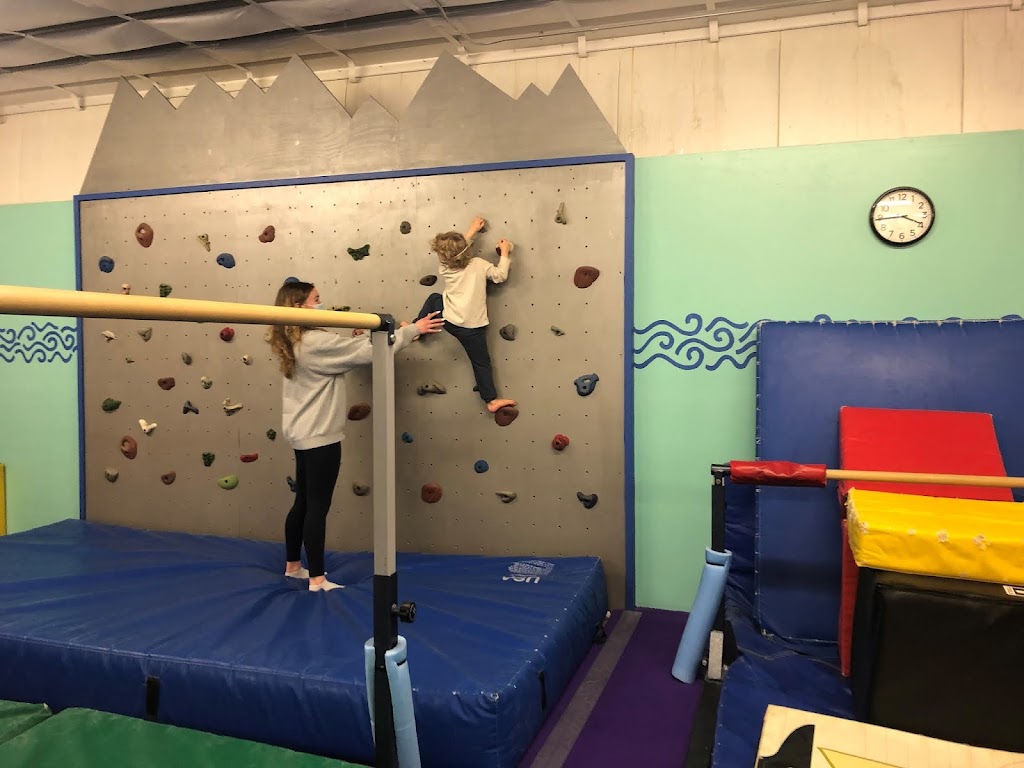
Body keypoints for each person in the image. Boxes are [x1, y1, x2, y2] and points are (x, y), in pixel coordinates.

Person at [267, 280, 443, 592]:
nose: (321, 304)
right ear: (300, 306)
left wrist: (366, 337)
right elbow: (372, 353)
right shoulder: (316, 342)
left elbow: (346, 351)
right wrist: (414, 330)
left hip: (301, 432)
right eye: (317, 299)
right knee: (317, 506)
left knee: (303, 501)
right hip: (320, 434)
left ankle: (293, 566)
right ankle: (317, 579)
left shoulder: (295, 340)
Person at [415, 216, 516, 414]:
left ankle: (416, 329)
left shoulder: (445, 267)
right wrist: (505, 253)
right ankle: (490, 400)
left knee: (434, 298)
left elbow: (456, 253)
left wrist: (471, 230)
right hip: (472, 328)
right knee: (481, 363)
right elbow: (500, 276)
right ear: (466, 250)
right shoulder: (479, 264)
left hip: (450, 320)